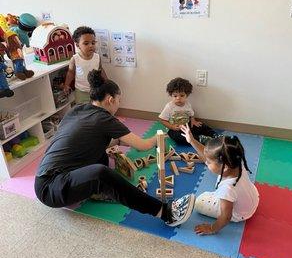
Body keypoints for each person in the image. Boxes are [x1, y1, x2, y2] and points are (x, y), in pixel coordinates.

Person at [35, 71, 196, 227]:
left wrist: (119, 140)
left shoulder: (78, 109)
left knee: (102, 157)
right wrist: (162, 134)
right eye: (119, 100)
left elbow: (89, 142)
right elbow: (143, 146)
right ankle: (166, 212)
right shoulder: (104, 118)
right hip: (50, 189)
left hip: (47, 176)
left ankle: (99, 192)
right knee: (100, 173)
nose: (119, 104)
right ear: (110, 99)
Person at [181, 124, 259, 235]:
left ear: (225, 166)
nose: (206, 163)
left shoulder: (227, 189)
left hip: (240, 214)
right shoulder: (236, 161)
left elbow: (226, 216)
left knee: (199, 202)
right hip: (253, 199)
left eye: (208, 162)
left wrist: (212, 228)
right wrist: (192, 140)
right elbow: (208, 155)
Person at [158, 77, 217, 145]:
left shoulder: (187, 104)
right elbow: (162, 120)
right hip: (175, 129)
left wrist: (193, 121)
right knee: (178, 137)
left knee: (201, 125)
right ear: (171, 95)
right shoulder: (169, 106)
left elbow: (191, 115)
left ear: (187, 95)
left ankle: (214, 135)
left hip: (187, 126)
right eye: (175, 96)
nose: (178, 98)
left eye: (182, 95)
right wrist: (172, 127)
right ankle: (200, 139)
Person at [64, 26, 108, 104]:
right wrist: (66, 85)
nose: (91, 45)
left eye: (93, 43)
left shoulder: (97, 57)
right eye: (86, 43)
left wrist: (107, 82)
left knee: (96, 108)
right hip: (81, 91)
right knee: (83, 110)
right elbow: (70, 73)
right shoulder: (75, 59)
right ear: (77, 45)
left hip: (96, 89)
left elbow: (100, 70)